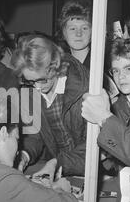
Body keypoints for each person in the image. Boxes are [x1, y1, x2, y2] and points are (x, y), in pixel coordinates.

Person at [12, 34, 89, 177]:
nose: (37, 87)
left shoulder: (84, 89)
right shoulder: (29, 90)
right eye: (30, 81)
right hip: (57, 168)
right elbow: (34, 134)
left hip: (90, 170)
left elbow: (91, 147)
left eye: (41, 80)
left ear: (55, 66)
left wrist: (58, 163)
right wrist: (24, 155)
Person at [82, 38, 130, 168]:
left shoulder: (108, 113)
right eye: (116, 71)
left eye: (128, 68)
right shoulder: (116, 107)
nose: (121, 76)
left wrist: (104, 117)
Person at [57, 0, 118, 102]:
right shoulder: (58, 66)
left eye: (84, 28)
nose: (78, 34)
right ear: (63, 33)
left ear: (92, 32)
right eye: (72, 29)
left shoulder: (103, 66)